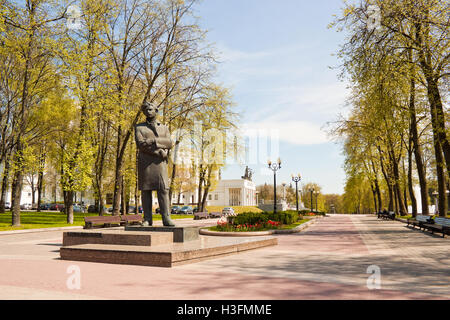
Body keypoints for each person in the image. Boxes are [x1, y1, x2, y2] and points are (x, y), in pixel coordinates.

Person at [135, 101, 175, 227]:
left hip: (160, 164)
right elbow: (141, 145)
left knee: (163, 190)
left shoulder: (164, 127)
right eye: (146, 110)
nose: (148, 112)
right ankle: (147, 219)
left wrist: (153, 140)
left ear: (156, 111)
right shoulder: (139, 127)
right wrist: (158, 151)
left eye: (151, 109)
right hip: (146, 164)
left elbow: (169, 143)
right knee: (146, 191)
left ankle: (166, 218)